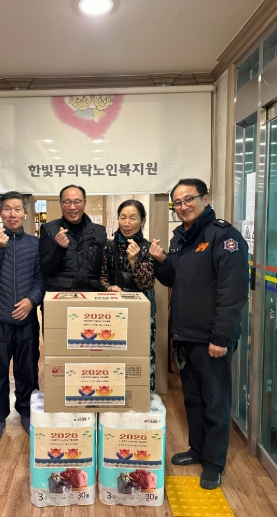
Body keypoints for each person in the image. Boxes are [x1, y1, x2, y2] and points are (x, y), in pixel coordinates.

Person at [149, 178, 248, 490]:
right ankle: (198, 448)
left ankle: (214, 462)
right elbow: (174, 280)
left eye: (189, 199)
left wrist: (220, 337)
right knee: (192, 397)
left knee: (215, 400)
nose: (183, 206)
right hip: (186, 335)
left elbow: (233, 293)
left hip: (211, 338)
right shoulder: (180, 237)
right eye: (178, 202)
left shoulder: (224, 236)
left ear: (205, 198)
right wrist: (162, 261)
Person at [0, 191, 44, 440]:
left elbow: (41, 279)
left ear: (26, 213)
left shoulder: (36, 244)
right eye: (7, 209)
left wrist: (31, 301)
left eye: (17, 209)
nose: (12, 214)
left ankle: (26, 412)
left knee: (27, 371)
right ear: (0, 212)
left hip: (26, 319)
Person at [100, 199, 156, 391]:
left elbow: (147, 284)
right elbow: (102, 276)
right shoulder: (109, 246)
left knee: (140, 357)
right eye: (123, 217)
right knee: (114, 357)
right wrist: (109, 288)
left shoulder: (148, 248)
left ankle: (142, 395)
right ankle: (114, 395)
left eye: (133, 218)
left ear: (142, 221)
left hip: (141, 313)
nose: (126, 223)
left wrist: (134, 262)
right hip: (114, 311)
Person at [40, 184, 107, 291]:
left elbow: (105, 269)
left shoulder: (100, 231)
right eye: (67, 202)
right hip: (60, 295)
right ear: (61, 204)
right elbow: (45, 268)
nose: (72, 207)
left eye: (77, 202)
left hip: (92, 294)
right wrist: (59, 249)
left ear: (84, 203)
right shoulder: (48, 229)